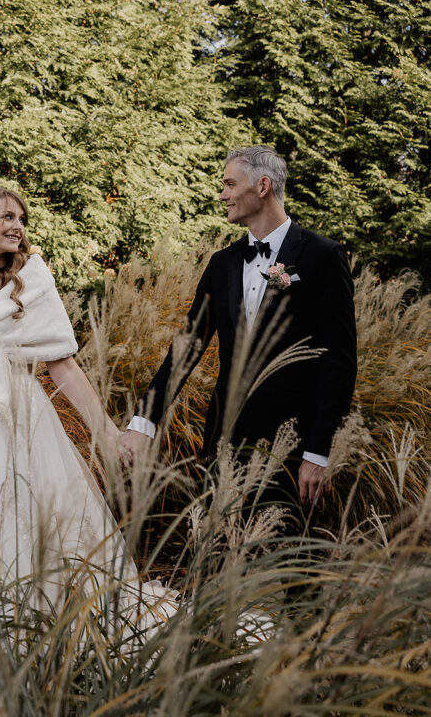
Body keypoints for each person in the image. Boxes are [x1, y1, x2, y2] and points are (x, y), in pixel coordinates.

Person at [0, 186, 173, 672]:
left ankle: (37, 645)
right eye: (7, 216)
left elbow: (65, 367)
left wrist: (108, 433)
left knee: (20, 526)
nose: (17, 226)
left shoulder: (31, 278)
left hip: (14, 424)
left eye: (22, 219)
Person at [120, 145, 357, 513]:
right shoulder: (222, 263)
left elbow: (338, 362)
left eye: (230, 184)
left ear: (262, 187)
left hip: (290, 448)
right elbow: (189, 345)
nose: (223, 194)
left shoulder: (322, 257)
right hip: (222, 441)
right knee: (215, 556)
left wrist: (318, 450)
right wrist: (144, 420)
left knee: (279, 563)